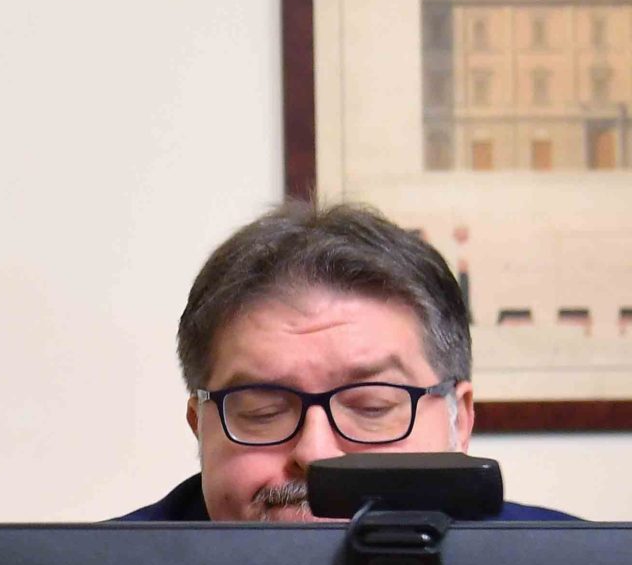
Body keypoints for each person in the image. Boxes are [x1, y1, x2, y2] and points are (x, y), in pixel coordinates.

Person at [121, 200, 573, 522]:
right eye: (263, 412)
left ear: (461, 420)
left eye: (372, 407)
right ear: (200, 428)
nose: (315, 454)